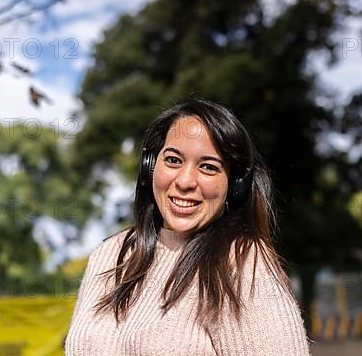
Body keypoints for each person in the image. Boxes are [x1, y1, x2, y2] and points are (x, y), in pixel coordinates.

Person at [65, 98, 312, 355]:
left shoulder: (241, 262)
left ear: (235, 185)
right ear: (150, 167)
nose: (185, 181)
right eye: (173, 160)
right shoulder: (109, 255)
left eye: (208, 167)